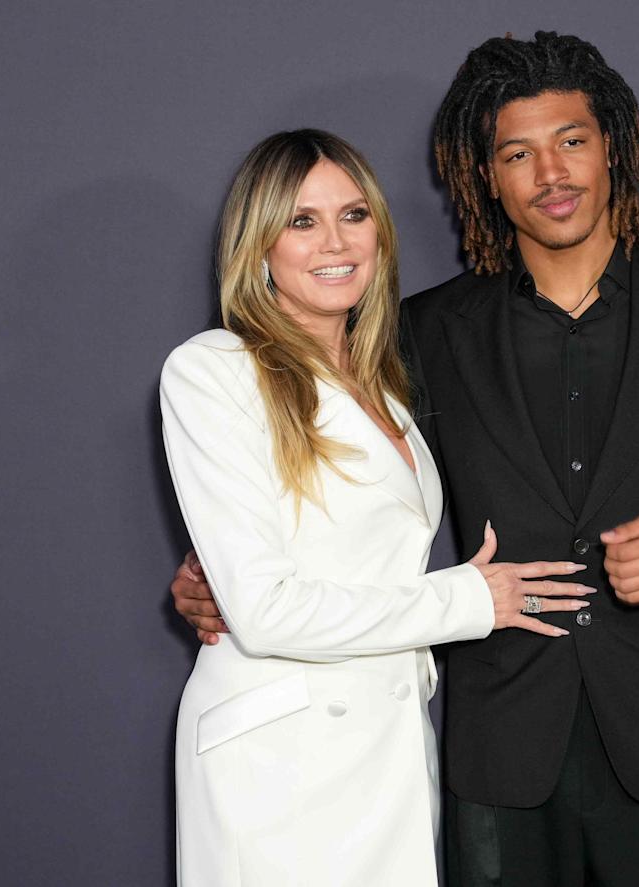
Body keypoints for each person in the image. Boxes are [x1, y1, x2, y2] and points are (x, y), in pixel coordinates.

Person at [174, 33, 639, 887]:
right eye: (519, 152)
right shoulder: (419, 329)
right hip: (498, 745)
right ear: (485, 175)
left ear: (612, 146)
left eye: (573, 141)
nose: (552, 174)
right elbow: (336, 469)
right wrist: (217, 564)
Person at [160, 128, 593, 887]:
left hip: (389, 752)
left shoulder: (389, 385)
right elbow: (263, 611)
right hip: (280, 768)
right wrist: (465, 597)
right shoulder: (213, 371)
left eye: (354, 214)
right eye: (301, 221)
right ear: (258, 245)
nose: (334, 240)